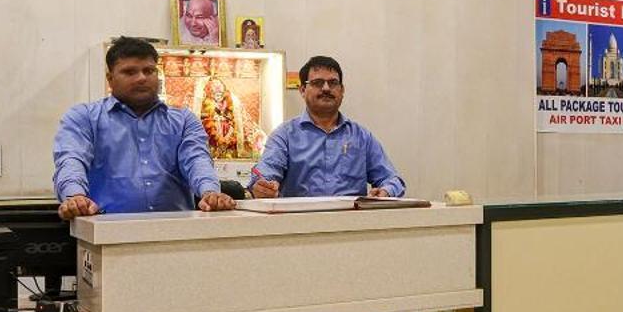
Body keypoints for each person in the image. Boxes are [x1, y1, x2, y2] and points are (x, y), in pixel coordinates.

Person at [54, 37, 237, 217]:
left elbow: (197, 159)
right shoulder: (84, 118)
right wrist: (75, 196)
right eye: (129, 72)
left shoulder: (183, 120)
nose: (142, 78)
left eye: (149, 71)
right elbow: (71, 160)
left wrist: (210, 192)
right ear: (110, 79)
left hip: (177, 230)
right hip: (106, 230)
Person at [249, 55, 405, 198]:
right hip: (300, 219)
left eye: (333, 83)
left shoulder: (361, 137)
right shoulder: (285, 136)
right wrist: (262, 187)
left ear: (342, 90)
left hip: (351, 218)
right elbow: (264, 176)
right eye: (317, 83)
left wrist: (386, 191)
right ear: (302, 90)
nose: (326, 88)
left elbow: (392, 180)